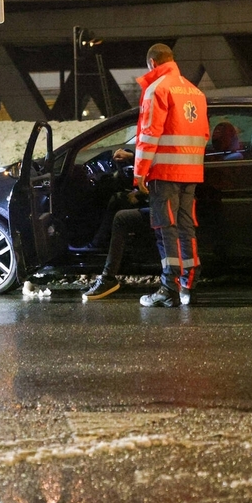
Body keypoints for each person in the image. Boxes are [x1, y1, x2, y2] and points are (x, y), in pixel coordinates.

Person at [134, 43, 209, 307]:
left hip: (164, 171)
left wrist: (140, 172)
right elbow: (204, 134)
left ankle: (168, 288)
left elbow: (149, 133)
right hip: (191, 170)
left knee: (166, 229)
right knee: (186, 227)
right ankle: (189, 284)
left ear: (152, 63)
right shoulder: (195, 91)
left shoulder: (158, 89)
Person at [81, 148, 151, 302]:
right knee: (117, 199)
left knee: (121, 218)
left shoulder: (162, 135)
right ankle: (98, 242)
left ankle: (108, 278)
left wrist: (141, 194)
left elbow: (159, 165)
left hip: (162, 206)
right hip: (163, 200)